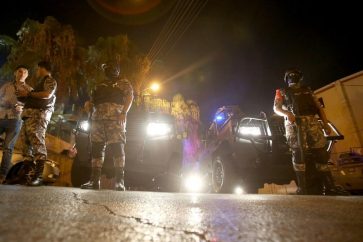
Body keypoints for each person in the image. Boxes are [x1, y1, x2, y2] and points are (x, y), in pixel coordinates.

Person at [273, 68, 348, 195]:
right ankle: (302, 188)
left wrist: (325, 124)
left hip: (312, 123)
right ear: (286, 79)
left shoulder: (307, 90)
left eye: (295, 75)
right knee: (298, 154)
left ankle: (329, 186)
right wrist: (287, 113)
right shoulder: (282, 91)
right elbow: (276, 108)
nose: (293, 77)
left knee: (321, 154)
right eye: (290, 76)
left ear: (300, 77)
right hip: (295, 124)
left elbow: (318, 108)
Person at [81, 60, 133, 191]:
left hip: (115, 120)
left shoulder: (124, 83)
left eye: (109, 67)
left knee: (117, 149)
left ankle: (120, 181)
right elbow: (93, 101)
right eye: (105, 68)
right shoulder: (99, 85)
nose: (107, 70)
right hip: (97, 120)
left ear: (116, 69)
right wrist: (88, 105)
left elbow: (130, 97)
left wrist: (124, 112)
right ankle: (94, 181)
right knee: (97, 150)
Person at [17, 61, 57, 186]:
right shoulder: (41, 82)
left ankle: (38, 176)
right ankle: (26, 176)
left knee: (37, 142)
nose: (37, 71)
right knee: (26, 144)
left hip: (38, 116)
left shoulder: (50, 80)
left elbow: (47, 94)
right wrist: (24, 97)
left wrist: (28, 93)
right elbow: (36, 96)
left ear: (42, 68)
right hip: (29, 115)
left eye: (38, 68)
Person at [0, 65, 33, 184]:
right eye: (20, 71)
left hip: (15, 120)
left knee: (8, 148)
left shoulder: (29, 90)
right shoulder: (7, 86)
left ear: (27, 75)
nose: (22, 74)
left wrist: (22, 107)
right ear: (15, 73)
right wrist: (7, 103)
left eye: (25, 72)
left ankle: (2, 176)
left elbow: (31, 106)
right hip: (1, 116)